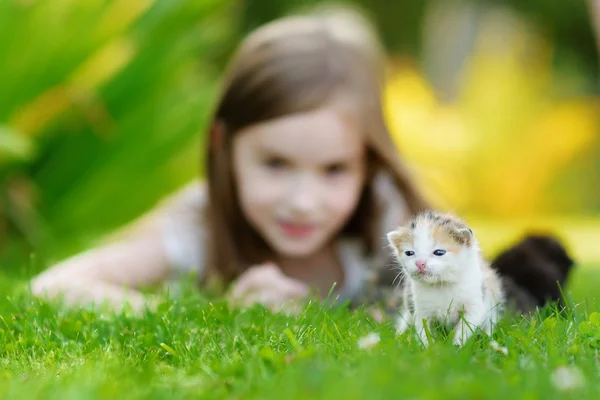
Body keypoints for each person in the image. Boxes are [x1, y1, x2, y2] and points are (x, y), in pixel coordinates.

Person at [30, 5, 431, 315]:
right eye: (275, 164)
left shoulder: (387, 214)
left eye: (335, 170)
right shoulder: (199, 224)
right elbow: (55, 286)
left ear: (368, 163)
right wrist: (217, 314)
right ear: (224, 145)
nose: (303, 201)